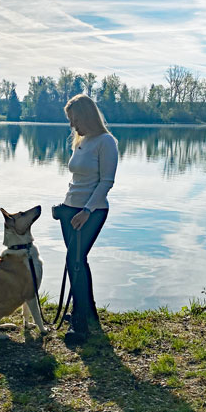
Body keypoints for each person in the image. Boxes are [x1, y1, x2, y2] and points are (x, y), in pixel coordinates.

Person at [54, 94, 118, 344]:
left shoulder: (106, 142)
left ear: (87, 116)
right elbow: (77, 181)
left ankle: (80, 325)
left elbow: (106, 182)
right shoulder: (81, 141)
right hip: (70, 210)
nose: (72, 125)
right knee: (77, 262)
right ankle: (87, 312)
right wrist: (64, 207)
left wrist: (87, 211)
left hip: (93, 211)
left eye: (75, 119)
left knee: (75, 260)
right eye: (70, 120)